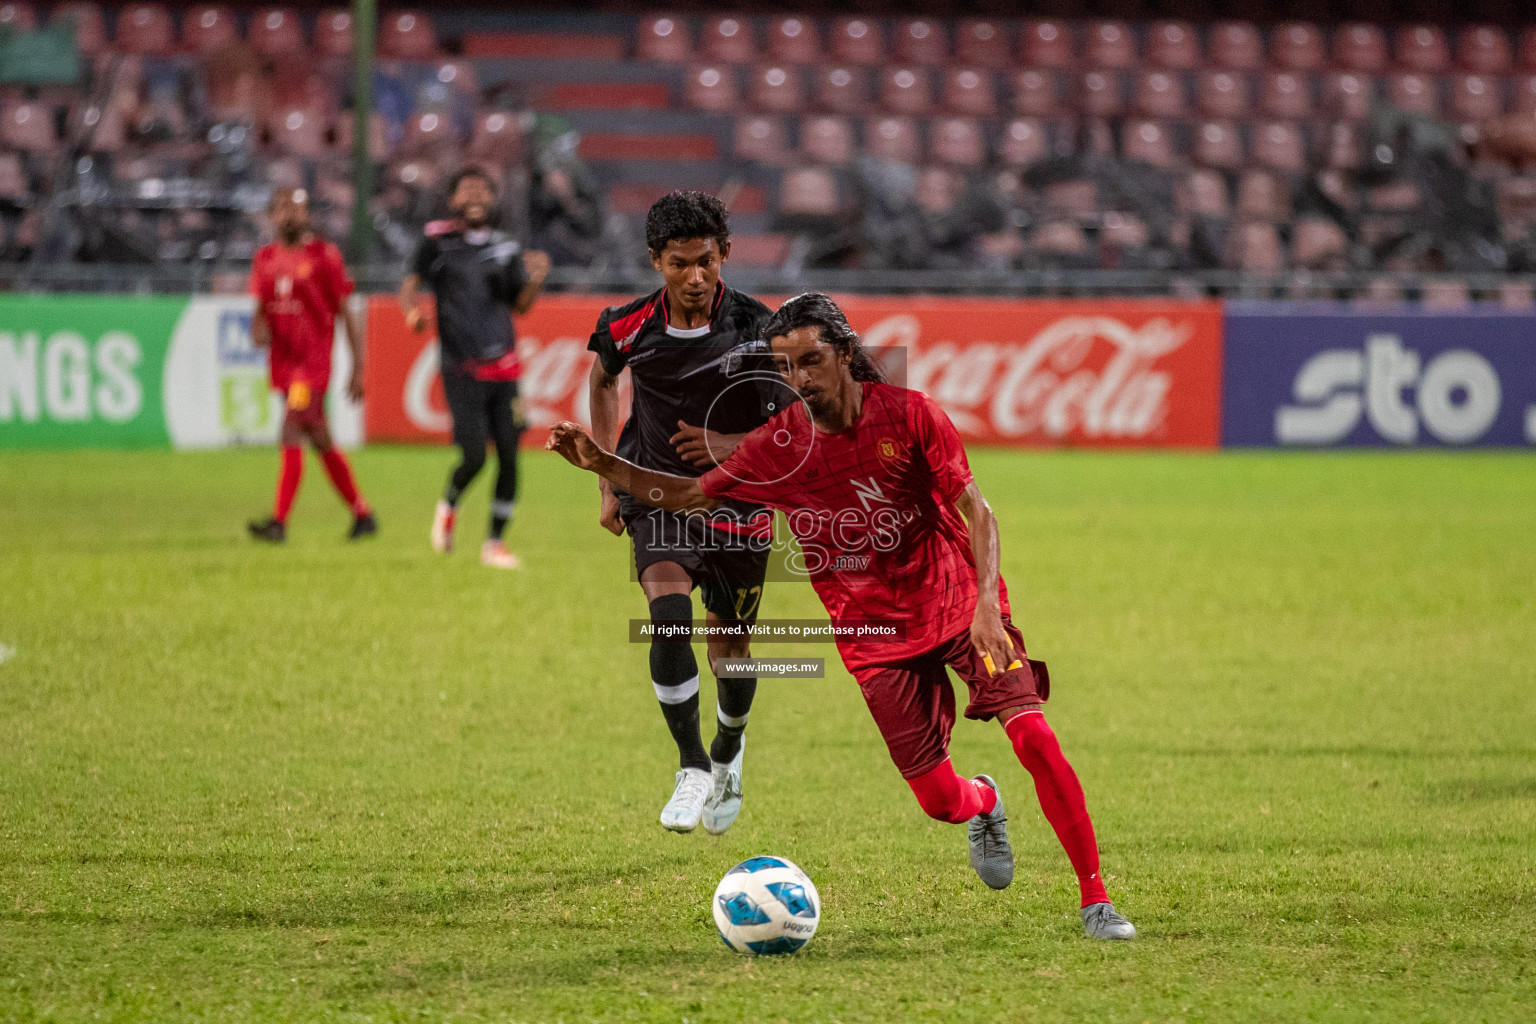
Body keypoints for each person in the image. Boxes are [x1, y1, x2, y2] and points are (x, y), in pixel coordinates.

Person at [549, 293, 1138, 941]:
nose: (800, 378)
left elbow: (979, 513)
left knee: (1034, 736)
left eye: (812, 360)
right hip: (873, 637)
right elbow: (688, 493)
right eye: (786, 367)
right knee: (941, 801)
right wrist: (603, 465)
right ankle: (986, 802)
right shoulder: (778, 447)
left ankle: (1096, 900)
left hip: (958, 606)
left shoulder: (911, 415)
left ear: (846, 355)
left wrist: (986, 606)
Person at [586, 191, 775, 835]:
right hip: (659, 495)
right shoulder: (628, 324)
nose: (694, 278)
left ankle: (729, 746)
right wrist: (610, 480)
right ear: (654, 262)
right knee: (667, 614)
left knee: (732, 647)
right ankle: (693, 765)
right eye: (677, 264)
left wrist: (730, 448)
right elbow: (603, 379)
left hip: (737, 502)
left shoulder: (759, 327)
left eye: (705, 262)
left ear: (724, 253)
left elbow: (794, 423)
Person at [399, 167, 551, 569]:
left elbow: (520, 305)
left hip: (505, 368)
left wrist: (535, 280)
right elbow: (409, 283)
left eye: (484, 189)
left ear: (493, 199)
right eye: (466, 188)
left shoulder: (506, 247)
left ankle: (495, 544)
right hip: (460, 367)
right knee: (473, 457)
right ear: (452, 199)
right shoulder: (437, 241)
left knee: (509, 455)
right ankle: (448, 505)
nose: (476, 195)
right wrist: (412, 311)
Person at [246, 187, 375, 543]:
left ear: (307, 216)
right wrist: (258, 328)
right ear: (272, 215)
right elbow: (260, 305)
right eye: (283, 208)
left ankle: (279, 523)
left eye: (297, 208)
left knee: (290, 431)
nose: (290, 215)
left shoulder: (323, 256)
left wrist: (357, 368)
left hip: (311, 366)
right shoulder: (266, 258)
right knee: (320, 439)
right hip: (284, 365)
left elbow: (347, 312)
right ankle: (363, 515)